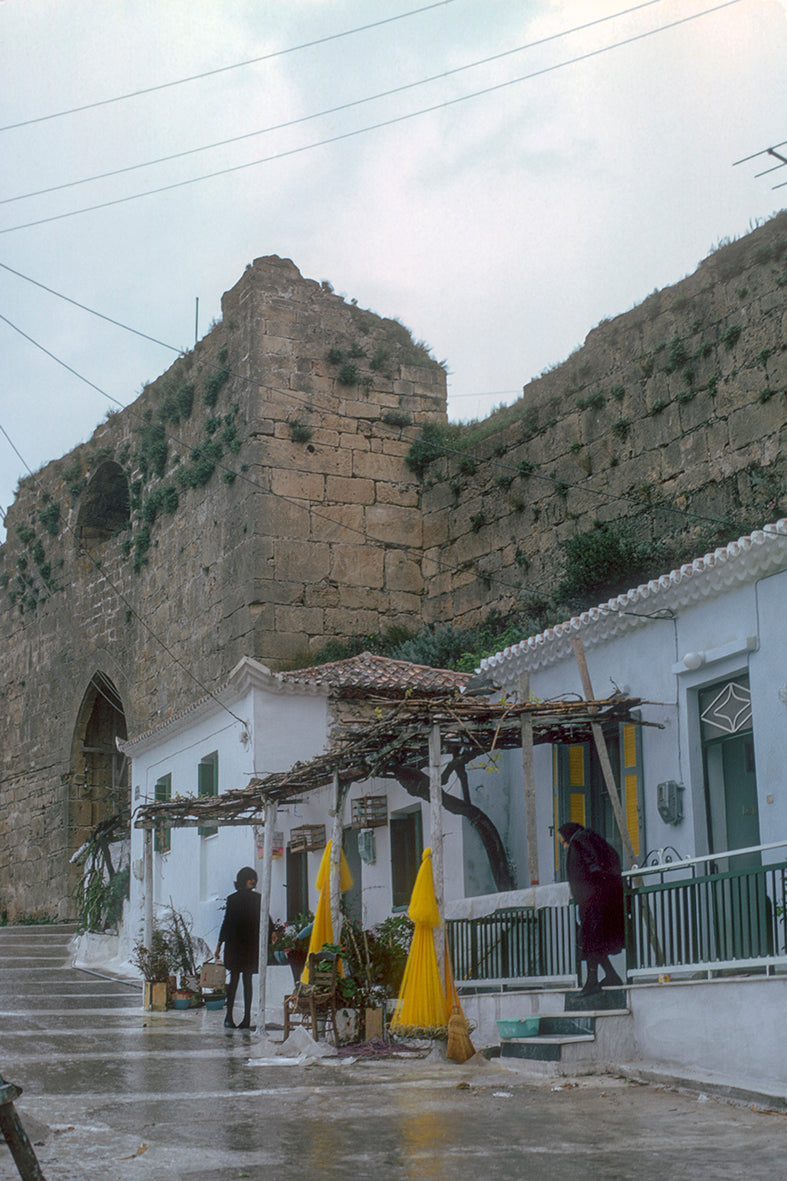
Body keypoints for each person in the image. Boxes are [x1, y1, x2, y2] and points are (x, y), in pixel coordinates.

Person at [558, 822, 625, 997]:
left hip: (593, 900)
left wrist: (592, 891)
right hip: (597, 899)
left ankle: (592, 982)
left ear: (568, 835)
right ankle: (611, 976)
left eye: (563, 841)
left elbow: (593, 865)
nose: (564, 846)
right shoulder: (589, 838)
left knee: (591, 939)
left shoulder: (580, 841)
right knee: (593, 942)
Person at [214, 866, 263, 1030]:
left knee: (243, 981)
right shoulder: (246, 899)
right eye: (250, 878)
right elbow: (227, 922)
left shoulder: (251, 898)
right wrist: (219, 944)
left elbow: (265, 918)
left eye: (253, 878)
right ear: (244, 880)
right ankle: (233, 1017)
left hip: (244, 945)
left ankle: (244, 1018)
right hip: (241, 945)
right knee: (238, 980)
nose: (253, 881)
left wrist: (220, 944)